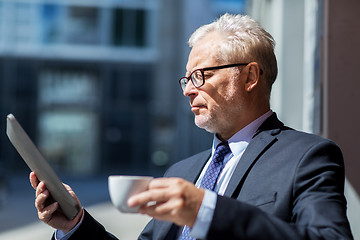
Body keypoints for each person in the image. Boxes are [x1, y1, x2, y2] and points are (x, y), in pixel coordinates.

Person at [30, 13, 353, 240]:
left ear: (251, 77)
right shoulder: (180, 173)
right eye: (187, 78)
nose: (187, 89)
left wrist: (207, 211)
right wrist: (75, 225)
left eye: (202, 75)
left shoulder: (307, 157)